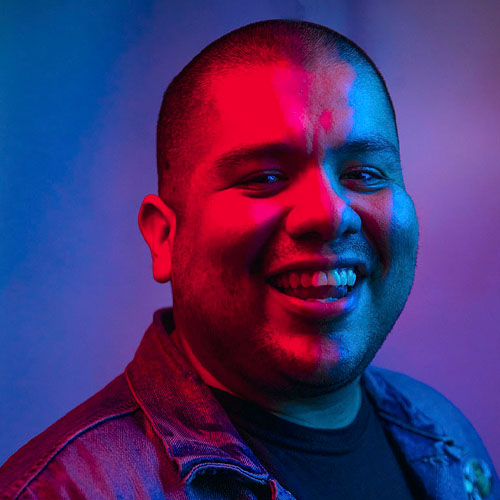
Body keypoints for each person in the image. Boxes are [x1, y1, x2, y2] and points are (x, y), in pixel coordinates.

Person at [0, 19, 497, 500]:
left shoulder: (445, 436)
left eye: (364, 174)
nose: (329, 215)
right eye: (264, 178)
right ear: (164, 238)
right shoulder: (62, 492)